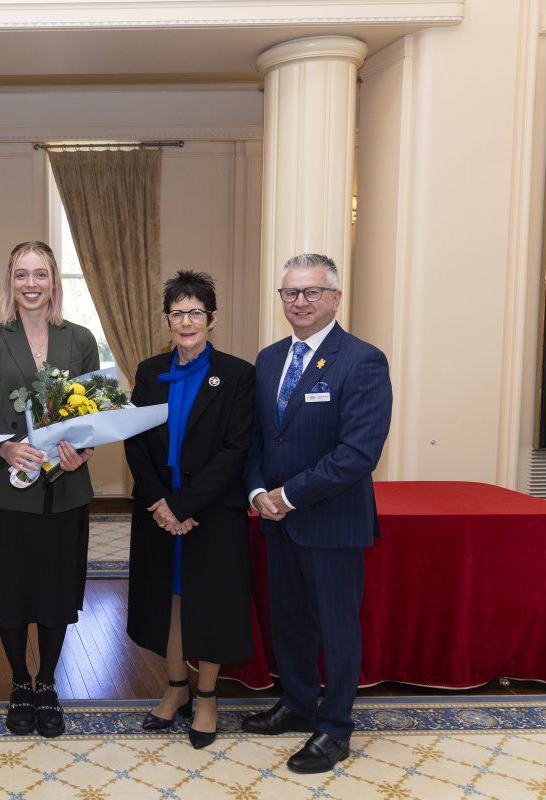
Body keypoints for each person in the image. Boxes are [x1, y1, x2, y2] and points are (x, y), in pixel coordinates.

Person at [241, 253, 392, 773]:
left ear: (335, 298)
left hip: (330, 523)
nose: (299, 302)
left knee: (336, 627)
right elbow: (258, 438)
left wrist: (288, 496)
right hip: (275, 521)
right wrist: (258, 489)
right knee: (289, 621)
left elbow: (357, 454)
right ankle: (299, 703)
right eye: (290, 293)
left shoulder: (362, 360)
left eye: (310, 292)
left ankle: (334, 728)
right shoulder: (267, 359)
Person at [0, 241, 98, 738]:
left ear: (54, 281)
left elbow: (93, 416)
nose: (31, 284)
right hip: (7, 492)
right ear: (10, 281)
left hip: (65, 491)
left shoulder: (80, 339)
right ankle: (19, 681)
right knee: (13, 592)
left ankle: (47, 683)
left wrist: (80, 453)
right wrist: (2, 450)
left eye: (40, 274)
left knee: (55, 591)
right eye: (21, 275)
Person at [123, 270, 255, 750]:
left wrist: (184, 505)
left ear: (212, 318)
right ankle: (175, 689)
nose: (186, 321)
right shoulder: (149, 371)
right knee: (170, 599)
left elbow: (235, 449)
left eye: (195, 312)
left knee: (210, 601)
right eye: (177, 313)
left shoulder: (238, 374)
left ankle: (206, 696)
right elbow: (135, 439)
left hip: (211, 510)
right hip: (159, 507)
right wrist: (161, 502)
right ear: (167, 320)